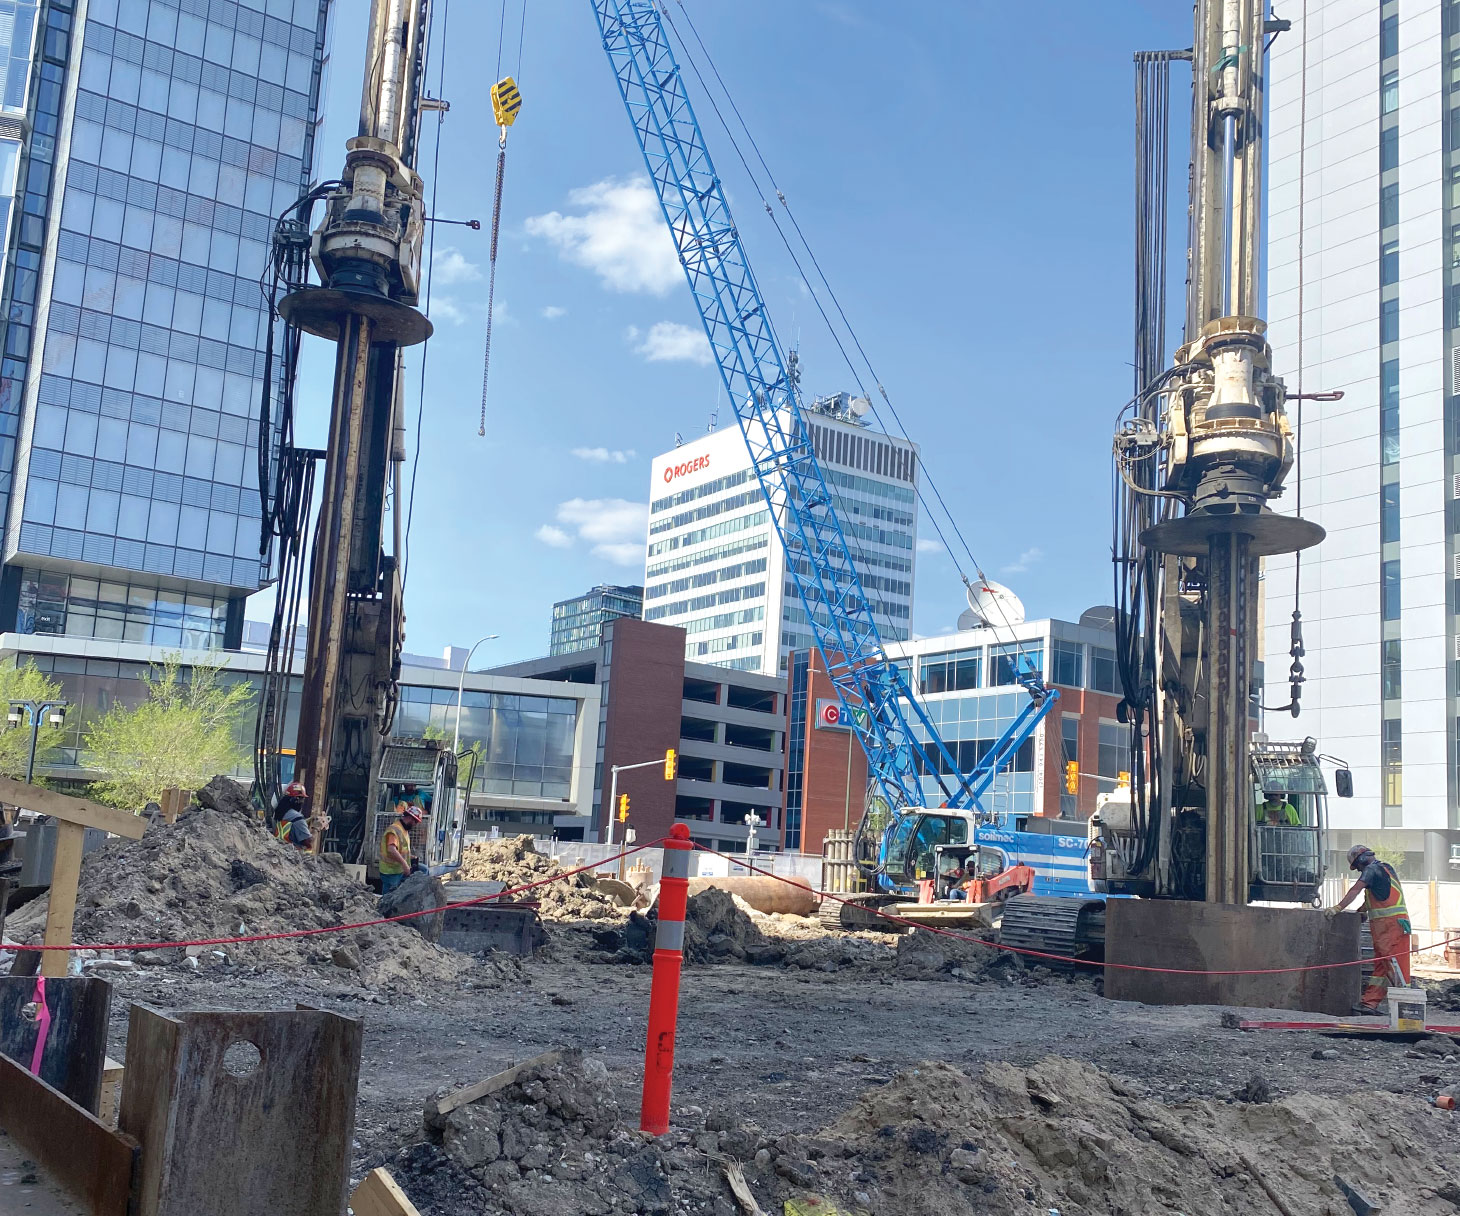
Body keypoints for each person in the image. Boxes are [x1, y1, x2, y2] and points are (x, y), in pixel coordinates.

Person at [1327, 844, 1411, 1015]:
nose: (1359, 870)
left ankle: (1407, 1006)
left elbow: (1355, 890)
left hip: (1391, 926)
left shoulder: (1372, 870)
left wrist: (1338, 908)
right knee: (1381, 966)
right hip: (1387, 927)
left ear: (1362, 860)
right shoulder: (1385, 869)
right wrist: (1362, 911)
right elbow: (1379, 896)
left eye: (1357, 867)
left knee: (1395, 965)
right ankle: (1369, 1004)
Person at [379, 801, 421, 894]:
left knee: (424, 870)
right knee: (388, 898)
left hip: (397, 869)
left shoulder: (403, 830)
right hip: (390, 871)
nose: (415, 825)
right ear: (410, 818)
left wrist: (410, 857)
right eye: (415, 822)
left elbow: (401, 850)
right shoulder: (394, 829)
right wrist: (405, 864)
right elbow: (391, 849)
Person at [274, 781, 313, 851]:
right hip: (296, 856)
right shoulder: (298, 818)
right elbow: (308, 841)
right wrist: (316, 828)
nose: (302, 802)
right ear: (295, 800)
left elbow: (293, 825)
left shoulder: (280, 814)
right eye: (302, 799)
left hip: (280, 851)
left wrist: (306, 821)